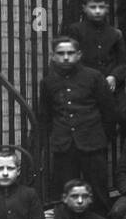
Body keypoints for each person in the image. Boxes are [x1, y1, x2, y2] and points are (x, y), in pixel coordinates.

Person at [39, 36, 116, 208]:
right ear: (53, 56)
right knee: (64, 192)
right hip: (64, 146)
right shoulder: (47, 82)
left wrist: (103, 138)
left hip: (93, 143)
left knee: (98, 192)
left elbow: (109, 112)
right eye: (61, 53)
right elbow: (45, 115)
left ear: (79, 54)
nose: (66, 57)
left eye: (70, 53)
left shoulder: (94, 77)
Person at [62, 0, 126, 97]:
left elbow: (123, 62)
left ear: (107, 9)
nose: (97, 11)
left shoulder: (115, 34)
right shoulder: (75, 30)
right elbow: (71, 58)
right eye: (93, 7)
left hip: (109, 87)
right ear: (84, 8)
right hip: (83, 85)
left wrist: (114, 76)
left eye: (101, 7)